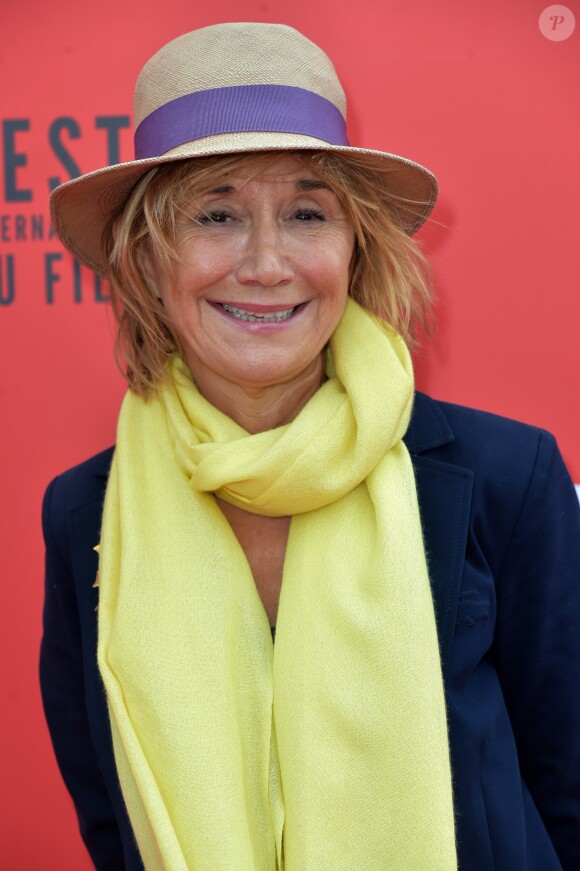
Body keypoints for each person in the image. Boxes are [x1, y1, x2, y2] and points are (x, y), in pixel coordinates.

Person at [40, 22, 580, 871]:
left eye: (305, 213)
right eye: (217, 213)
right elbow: (116, 820)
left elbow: (569, 792)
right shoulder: (83, 512)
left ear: (353, 246)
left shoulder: (509, 476)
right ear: (146, 260)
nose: (266, 262)